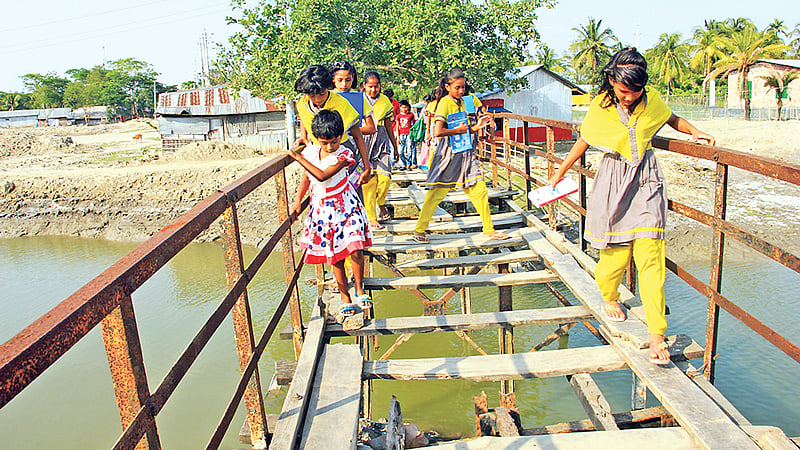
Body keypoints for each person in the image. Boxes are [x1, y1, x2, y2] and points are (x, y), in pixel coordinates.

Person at [548, 47, 715, 365]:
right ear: (611, 80)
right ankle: (609, 294)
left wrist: (696, 133)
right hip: (613, 180)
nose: (630, 97)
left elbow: (671, 119)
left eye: (635, 91)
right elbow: (585, 139)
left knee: (651, 257)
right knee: (614, 257)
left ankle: (656, 334)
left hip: (646, 180)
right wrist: (561, 170)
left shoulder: (650, 99)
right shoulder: (600, 105)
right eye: (624, 91)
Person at [288, 109, 373, 315]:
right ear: (316, 138)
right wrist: (298, 200)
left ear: (341, 137)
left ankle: (360, 288)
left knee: (355, 248)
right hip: (323, 210)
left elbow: (323, 175)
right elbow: (308, 177)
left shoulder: (344, 154)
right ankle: (344, 295)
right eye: (324, 142)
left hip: (346, 205)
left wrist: (296, 157)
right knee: (334, 255)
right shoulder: (310, 153)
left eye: (334, 141)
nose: (329, 146)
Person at [412, 68, 509, 243]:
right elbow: (439, 131)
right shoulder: (444, 103)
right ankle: (419, 230)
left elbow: (463, 128)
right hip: (448, 154)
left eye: (463, 87)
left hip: (464, 152)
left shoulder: (462, 103)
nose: (461, 90)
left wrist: (475, 127)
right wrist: (458, 130)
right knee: (437, 193)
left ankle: (489, 229)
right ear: (448, 86)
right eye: (457, 87)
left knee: (479, 189)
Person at [294, 65, 371, 186]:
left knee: (347, 190)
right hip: (318, 154)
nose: (317, 99)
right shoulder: (302, 103)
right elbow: (304, 118)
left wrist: (367, 167)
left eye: (321, 93)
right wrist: (303, 136)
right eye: (312, 95)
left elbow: (358, 136)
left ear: (328, 87)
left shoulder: (341, 103)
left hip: (341, 152)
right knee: (320, 189)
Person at [361, 70, 399, 230]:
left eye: (376, 87)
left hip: (382, 139)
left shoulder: (385, 101)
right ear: (364, 85)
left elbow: (389, 125)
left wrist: (395, 146)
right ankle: (372, 217)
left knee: (385, 178)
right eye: (370, 86)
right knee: (369, 182)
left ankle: (381, 202)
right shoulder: (358, 100)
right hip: (363, 140)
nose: (373, 90)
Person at [330, 60, 377, 189]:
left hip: (353, 148)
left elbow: (371, 128)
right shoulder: (327, 97)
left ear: (353, 79)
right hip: (330, 149)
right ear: (333, 79)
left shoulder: (360, 98)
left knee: (353, 187)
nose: (344, 84)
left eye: (348, 80)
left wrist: (350, 131)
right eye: (339, 80)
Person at [395, 100, 417, 170]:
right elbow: (397, 127)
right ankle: (404, 163)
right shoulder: (398, 116)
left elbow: (414, 125)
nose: (404, 109)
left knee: (409, 150)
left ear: (408, 107)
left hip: (409, 134)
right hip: (402, 134)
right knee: (400, 151)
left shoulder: (411, 115)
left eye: (405, 107)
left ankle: (408, 164)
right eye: (402, 107)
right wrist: (398, 137)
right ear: (400, 108)